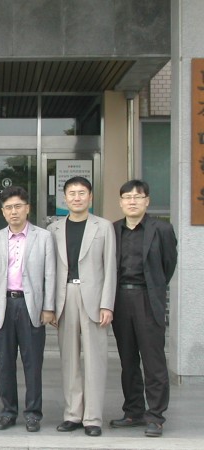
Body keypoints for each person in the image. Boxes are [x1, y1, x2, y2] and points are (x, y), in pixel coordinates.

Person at [47, 176, 116, 437]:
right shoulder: (54, 229)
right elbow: (49, 270)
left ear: (90, 197)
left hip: (94, 299)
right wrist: (51, 306)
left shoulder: (103, 227)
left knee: (95, 360)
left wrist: (107, 304)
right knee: (69, 360)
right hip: (64, 297)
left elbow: (110, 268)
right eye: (72, 193)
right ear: (64, 198)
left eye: (81, 193)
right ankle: (72, 414)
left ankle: (93, 418)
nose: (77, 197)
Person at [0, 186, 56, 433]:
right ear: (3, 211)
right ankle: (8, 412)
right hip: (3, 305)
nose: (13, 212)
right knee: (5, 363)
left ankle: (33, 413)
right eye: (8, 208)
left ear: (27, 208)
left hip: (30, 306)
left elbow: (50, 274)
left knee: (32, 363)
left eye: (17, 206)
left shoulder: (43, 237)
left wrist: (48, 307)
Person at [109, 180, 177, 438]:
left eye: (138, 197)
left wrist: (154, 290)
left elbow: (168, 265)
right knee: (128, 361)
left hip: (148, 299)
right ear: (120, 202)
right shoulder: (113, 229)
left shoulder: (162, 229)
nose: (132, 201)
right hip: (120, 299)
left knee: (153, 361)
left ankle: (156, 416)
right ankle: (133, 411)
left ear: (147, 201)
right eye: (127, 197)